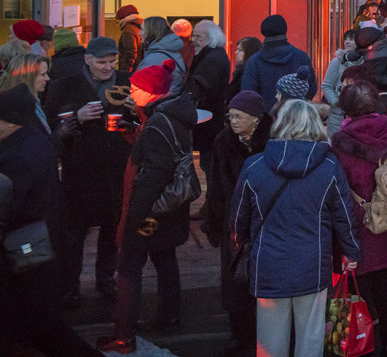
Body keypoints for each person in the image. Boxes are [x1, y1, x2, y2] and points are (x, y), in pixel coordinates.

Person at [231, 99, 360, 357]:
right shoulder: (329, 167)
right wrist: (352, 252)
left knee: (269, 340)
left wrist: (242, 242)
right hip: (312, 264)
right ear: (315, 125)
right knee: (311, 337)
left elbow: (237, 220)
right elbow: (344, 217)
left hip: (267, 265)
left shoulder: (254, 166)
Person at [97, 60, 198, 354]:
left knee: (128, 268)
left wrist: (132, 219)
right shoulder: (171, 114)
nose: (131, 92)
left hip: (149, 212)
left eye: (137, 88)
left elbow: (152, 176)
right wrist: (135, 131)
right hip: (168, 209)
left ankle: (123, 336)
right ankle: (170, 315)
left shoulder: (156, 125)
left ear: (152, 93)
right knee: (165, 258)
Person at [0, 84, 105, 357]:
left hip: (24, 249)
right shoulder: (34, 140)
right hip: (42, 241)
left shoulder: (15, 157)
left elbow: (8, 206)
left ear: (8, 122)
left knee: (44, 327)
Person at [331, 79, 387, 354]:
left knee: (361, 282)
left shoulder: (340, 144)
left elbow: (336, 192)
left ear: (346, 111)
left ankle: (365, 337)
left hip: (358, 225)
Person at [43, 36, 134, 307]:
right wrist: (77, 118)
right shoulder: (64, 87)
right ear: (87, 60)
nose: (108, 68)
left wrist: (137, 112)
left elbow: (143, 119)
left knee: (112, 229)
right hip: (79, 171)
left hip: (116, 168)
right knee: (74, 234)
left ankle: (106, 279)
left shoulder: (127, 81)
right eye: (101, 62)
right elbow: (50, 127)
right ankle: (69, 286)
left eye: (112, 62)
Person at [201, 90, 273, 357]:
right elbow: (217, 185)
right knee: (235, 279)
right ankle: (239, 333)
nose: (232, 121)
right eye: (230, 116)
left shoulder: (272, 139)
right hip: (233, 218)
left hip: (266, 217)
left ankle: (266, 332)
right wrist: (213, 219)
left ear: (255, 119)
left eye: (238, 116)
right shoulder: (224, 141)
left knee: (264, 277)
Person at [241, 14, 316, 110]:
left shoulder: (254, 61)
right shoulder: (301, 57)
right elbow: (311, 88)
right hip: (296, 116)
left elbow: (248, 94)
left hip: (265, 119)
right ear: (284, 30)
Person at [188, 19, 231, 164]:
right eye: (193, 36)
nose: (194, 40)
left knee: (209, 162)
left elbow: (201, 87)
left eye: (198, 37)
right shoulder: (211, 55)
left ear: (211, 38)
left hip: (209, 118)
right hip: (209, 118)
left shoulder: (213, 59)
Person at [321, 28, 361, 136]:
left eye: (351, 39)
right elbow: (327, 86)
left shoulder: (365, 62)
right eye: (346, 39)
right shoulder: (337, 62)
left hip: (360, 114)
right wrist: (336, 102)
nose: (347, 42)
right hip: (337, 116)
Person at [0, 52, 52, 132]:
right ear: (28, 77)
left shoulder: (34, 100)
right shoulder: (18, 110)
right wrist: (60, 134)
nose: (48, 78)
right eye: (43, 74)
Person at [136, 16, 186, 95]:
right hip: (170, 103)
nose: (139, 33)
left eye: (142, 30)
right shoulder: (171, 52)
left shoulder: (152, 60)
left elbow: (142, 94)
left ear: (151, 32)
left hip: (158, 105)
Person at [225, 36, 262, 102]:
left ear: (249, 53)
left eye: (240, 50)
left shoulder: (247, 74)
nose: (236, 52)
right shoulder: (240, 71)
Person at [115, 5, 143, 72]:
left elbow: (130, 53)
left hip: (132, 70)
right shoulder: (142, 28)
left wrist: (124, 72)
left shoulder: (128, 30)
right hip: (141, 68)